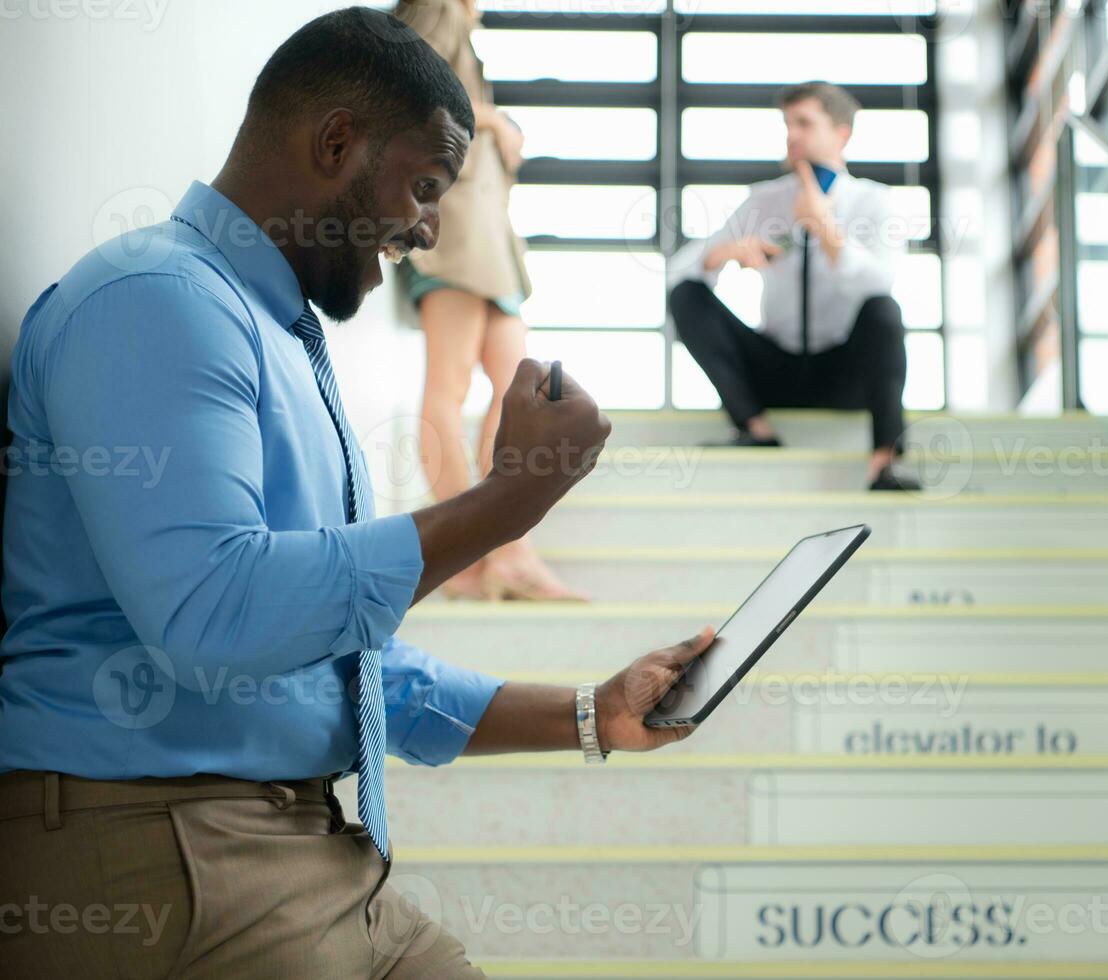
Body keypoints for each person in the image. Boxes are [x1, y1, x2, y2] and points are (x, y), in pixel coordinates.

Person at [0, 9, 710, 976]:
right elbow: (216, 612)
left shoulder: (268, 330)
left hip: (294, 849)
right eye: (423, 187)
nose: (425, 229)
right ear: (337, 141)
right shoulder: (156, 299)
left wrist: (592, 713)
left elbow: (346, 665)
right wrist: (508, 504)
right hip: (164, 846)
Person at [392, 0, 585, 601]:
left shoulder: (462, 20)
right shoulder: (437, 6)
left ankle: (509, 553)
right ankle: (464, 558)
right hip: (459, 222)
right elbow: (398, 84)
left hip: (488, 227)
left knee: (518, 390)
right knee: (448, 389)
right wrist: (492, 120)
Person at [669, 81, 917, 491]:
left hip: (843, 371)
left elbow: (880, 284)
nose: (792, 135)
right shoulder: (764, 201)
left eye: (804, 123)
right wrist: (725, 254)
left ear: (842, 133)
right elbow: (682, 271)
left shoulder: (875, 201)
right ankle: (755, 429)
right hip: (776, 367)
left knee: (884, 311)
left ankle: (883, 463)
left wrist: (825, 227)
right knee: (686, 295)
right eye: (787, 124)